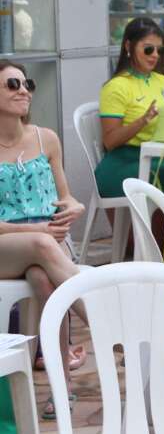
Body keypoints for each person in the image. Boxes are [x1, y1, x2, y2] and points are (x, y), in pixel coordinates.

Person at [0, 60, 89, 415]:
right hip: (8, 244)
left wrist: (74, 207)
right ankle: (106, 323)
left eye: (27, 83)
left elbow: (66, 195)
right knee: (41, 247)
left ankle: (61, 387)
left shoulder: (45, 138)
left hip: (48, 245)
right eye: (11, 84)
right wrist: (37, 230)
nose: (23, 90)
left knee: (44, 279)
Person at [95, 18, 164, 208]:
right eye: (148, 49)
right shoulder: (116, 87)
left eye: (160, 50)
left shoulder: (162, 81)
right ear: (128, 46)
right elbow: (109, 141)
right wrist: (143, 120)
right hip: (124, 162)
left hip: (158, 156)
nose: (155, 55)